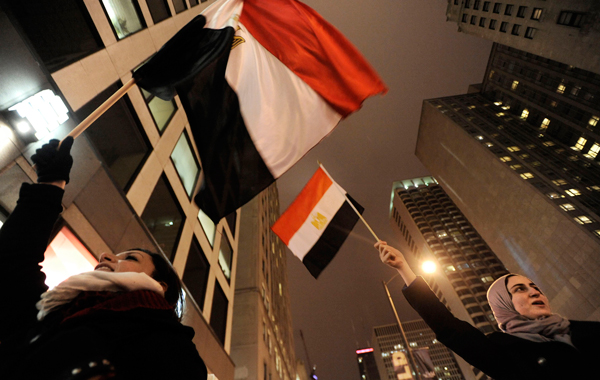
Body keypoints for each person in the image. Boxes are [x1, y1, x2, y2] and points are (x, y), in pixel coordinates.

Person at [0, 138, 207, 380]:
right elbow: (12, 265)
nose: (104, 255)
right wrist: (51, 184)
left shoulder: (172, 349)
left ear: (160, 286)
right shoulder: (53, 314)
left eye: (130, 257)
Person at [376, 241, 600, 380]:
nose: (534, 292)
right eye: (520, 289)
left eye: (535, 287)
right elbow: (449, 327)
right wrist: (404, 268)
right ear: (504, 305)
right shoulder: (505, 353)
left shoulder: (585, 331)